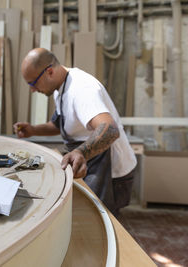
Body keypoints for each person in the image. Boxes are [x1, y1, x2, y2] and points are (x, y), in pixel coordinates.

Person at [13, 48, 137, 216]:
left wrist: (81, 153)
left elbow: (110, 129)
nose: (32, 90)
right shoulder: (60, 87)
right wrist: (33, 130)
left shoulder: (82, 90)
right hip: (93, 160)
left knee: (103, 223)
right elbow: (61, 125)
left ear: (49, 71)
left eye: (32, 83)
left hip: (112, 172)